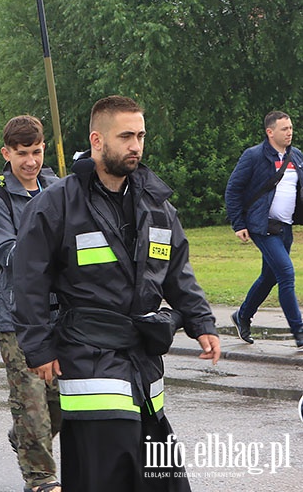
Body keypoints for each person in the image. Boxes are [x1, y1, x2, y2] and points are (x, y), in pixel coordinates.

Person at [12, 96, 221, 491]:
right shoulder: (57, 205)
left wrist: (200, 321)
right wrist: (37, 348)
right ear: (97, 140)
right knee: (107, 474)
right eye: (126, 136)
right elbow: (28, 281)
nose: (136, 146)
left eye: (140, 136)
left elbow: (178, 272)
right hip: (89, 355)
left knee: (162, 478)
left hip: (142, 361)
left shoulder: (157, 205)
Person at [0, 115, 61, 492]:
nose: (30, 161)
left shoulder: (59, 188)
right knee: (31, 402)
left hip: (61, 313)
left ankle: (24, 435)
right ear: (6, 153)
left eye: (37, 152)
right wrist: (52, 253)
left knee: (59, 404)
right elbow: (7, 253)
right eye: (22, 153)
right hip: (17, 317)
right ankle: (40, 478)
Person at [224, 110, 303, 349]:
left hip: (285, 228)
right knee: (287, 274)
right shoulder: (254, 156)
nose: (289, 132)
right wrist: (239, 224)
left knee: (269, 277)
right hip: (262, 227)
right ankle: (299, 331)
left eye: (290, 128)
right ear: (270, 132)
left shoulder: (296, 156)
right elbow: (233, 190)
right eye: (284, 129)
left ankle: (242, 316)